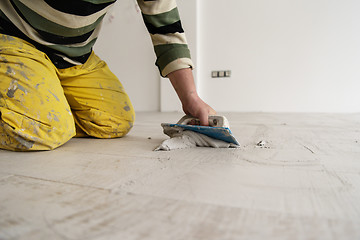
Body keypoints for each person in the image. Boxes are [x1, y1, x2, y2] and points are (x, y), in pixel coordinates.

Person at [0, 0, 215, 151]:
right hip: (14, 36)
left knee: (115, 121)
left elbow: (166, 31)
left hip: (75, 56)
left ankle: (41, 100)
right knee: (47, 128)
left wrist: (191, 98)